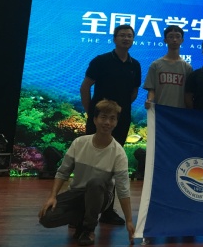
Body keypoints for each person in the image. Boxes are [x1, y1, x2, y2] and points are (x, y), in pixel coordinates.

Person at [39, 99, 135, 246]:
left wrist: (129, 220)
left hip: (101, 196)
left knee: (96, 183)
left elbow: (123, 189)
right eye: (103, 117)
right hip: (77, 193)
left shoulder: (118, 153)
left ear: (116, 122)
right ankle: (81, 219)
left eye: (112, 118)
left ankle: (88, 229)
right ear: (95, 119)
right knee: (46, 218)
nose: (107, 122)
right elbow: (63, 172)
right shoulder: (79, 143)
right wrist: (52, 196)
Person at [80, 24, 141, 225]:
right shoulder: (101, 60)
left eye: (129, 36)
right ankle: (81, 210)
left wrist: (118, 112)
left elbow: (133, 93)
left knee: (114, 163)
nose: (126, 38)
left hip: (120, 121)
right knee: (90, 162)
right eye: (122, 35)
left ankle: (107, 210)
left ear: (133, 40)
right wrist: (91, 113)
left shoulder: (135, 65)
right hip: (98, 121)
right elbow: (85, 87)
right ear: (114, 39)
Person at [144, 25, 193, 109]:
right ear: (165, 40)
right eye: (171, 37)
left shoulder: (187, 67)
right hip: (161, 112)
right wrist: (150, 100)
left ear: (182, 40)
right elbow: (151, 90)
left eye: (178, 37)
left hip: (180, 112)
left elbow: (188, 94)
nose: (174, 40)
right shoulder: (155, 65)